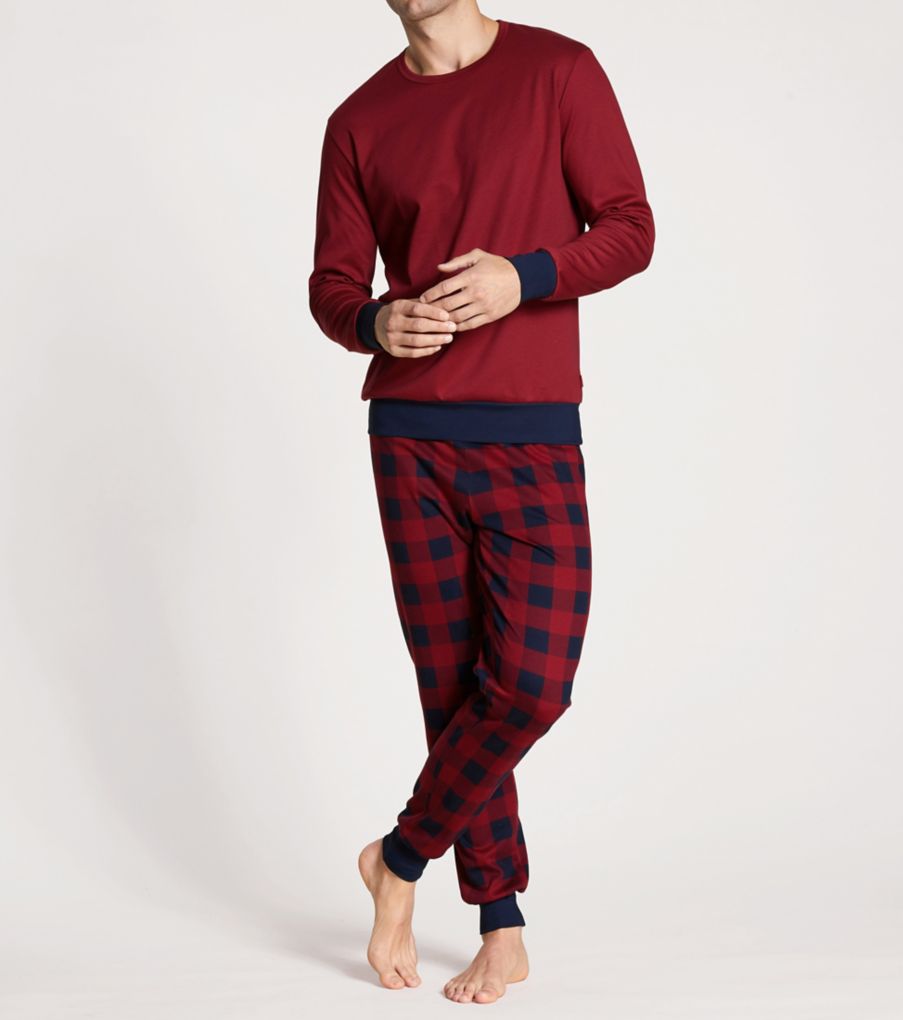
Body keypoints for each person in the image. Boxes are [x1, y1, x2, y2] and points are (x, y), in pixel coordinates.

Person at [308, 0, 654, 1004]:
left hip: (530, 430)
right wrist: (374, 322)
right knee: (451, 689)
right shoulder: (358, 120)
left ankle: (397, 860)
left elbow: (629, 229)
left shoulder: (557, 70)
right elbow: (332, 283)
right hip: (408, 435)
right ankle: (500, 926)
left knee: (530, 688)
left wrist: (526, 276)